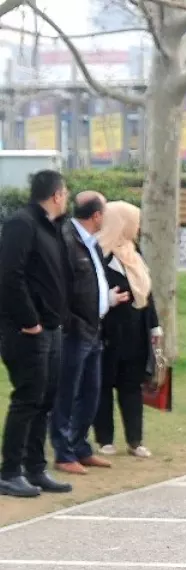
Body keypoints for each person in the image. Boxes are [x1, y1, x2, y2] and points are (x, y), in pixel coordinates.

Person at [0, 170, 74, 498]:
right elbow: (9, 274)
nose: (68, 198)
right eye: (66, 193)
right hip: (26, 329)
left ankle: (35, 468)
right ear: (56, 194)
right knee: (28, 398)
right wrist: (29, 320)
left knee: (45, 399)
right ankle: (10, 471)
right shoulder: (23, 223)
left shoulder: (53, 227)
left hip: (52, 327)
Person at [53, 191, 127, 475]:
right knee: (67, 393)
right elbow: (60, 289)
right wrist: (71, 322)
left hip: (94, 328)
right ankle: (63, 452)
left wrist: (106, 300)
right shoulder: (67, 241)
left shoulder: (92, 244)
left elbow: (92, 283)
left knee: (91, 392)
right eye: (104, 211)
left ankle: (80, 446)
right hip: (75, 330)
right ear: (96, 215)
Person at [93, 201, 160, 459]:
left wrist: (155, 326)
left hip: (136, 333)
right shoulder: (100, 253)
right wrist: (107, 298)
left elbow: (147, 292)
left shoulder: (134, 252)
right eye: (133, 221)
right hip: (108, 332)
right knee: (104, 386)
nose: (138, 227)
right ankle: (105, 439)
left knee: (132, 386)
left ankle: (135, 440)